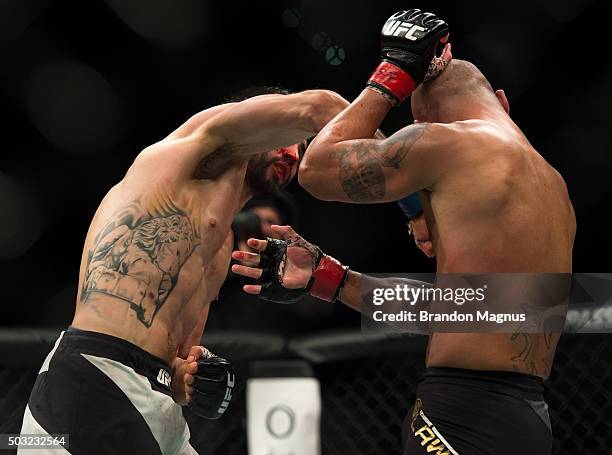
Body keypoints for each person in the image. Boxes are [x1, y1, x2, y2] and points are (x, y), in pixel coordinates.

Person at [232, 9, 576, 455]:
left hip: (463, 412)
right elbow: (463, 310)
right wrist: (332, 279)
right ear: (503, 101)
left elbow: (316, 169)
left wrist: (393, 76)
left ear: (426, 123)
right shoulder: (555, 188)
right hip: (524, 415)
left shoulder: (454, 142)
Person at [18, 87, 348, 454]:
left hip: (159, 403)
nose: (293, 153)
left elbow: (179, 362)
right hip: (95, 373)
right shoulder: (185, 155)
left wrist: (191, 375)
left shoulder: (221, 246)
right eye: (285, 140)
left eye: (301, 147)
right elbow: (321, 104)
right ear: (257, 128)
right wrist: (408, 181)